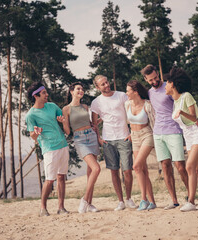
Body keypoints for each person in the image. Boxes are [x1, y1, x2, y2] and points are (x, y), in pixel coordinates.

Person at [165, 67, 198, 212]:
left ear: (173, 83)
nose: (165, 86)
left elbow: (195, 118)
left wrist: (182, 112)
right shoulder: (176, 101)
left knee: (189, 166)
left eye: (167, 83)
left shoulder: (186, 96)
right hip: (188, 137)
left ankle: (191, 202)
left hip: (197, 134)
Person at [141, 64, 189, 210]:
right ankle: (174, 200)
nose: (154, 81)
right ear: (146, 79)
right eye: (150, 80)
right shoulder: (149, 93)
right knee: (165, 166)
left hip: (173, 130)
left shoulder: (169, 87)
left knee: (180, 166)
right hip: (158, 132)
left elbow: (183, 103)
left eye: (156, 78)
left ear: (158, 74)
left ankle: (190, 195)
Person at [90, 75, 137, 211]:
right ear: (97, 87)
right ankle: (120, 201)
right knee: (114, 171)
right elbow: (94, 122)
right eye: (103, 84)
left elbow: (132, 111)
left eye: (107, 82)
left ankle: (128, 198)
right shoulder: (96, 102)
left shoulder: (122, 96)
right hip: (108, 140)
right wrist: (99, 138)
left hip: (124, 137)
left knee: (127, 170)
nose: (106, 85)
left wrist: (131, 132)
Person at [25, 82, 69, 217]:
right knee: (50, 180)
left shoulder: (52, 106)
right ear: (36, 96)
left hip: (63, 144)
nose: (47, 94)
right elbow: (32, 136)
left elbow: (64, 122)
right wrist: (36, 132)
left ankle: (61, 207)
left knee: (61, 177)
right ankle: (43, 208)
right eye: (43, 93)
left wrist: (63, 121)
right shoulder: (31, 115)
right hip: (49, 149)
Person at [61, 82, 101, 213]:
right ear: (71, 91)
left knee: (91, 173)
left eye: (82, 89)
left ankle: (89, 203)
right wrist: (63, 123)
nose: (81, 91)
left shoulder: (85, 106)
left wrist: (96, 124)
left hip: (91, 136)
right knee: (96, 168)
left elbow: (90, 123)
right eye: (78, 89)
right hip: (80, 140)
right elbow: (68, 131)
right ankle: (84, 200)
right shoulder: (66, 109)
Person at [125, 80, 157, 211]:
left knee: (136, 166)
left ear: (135, 92)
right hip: (134, 136)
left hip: (147, 135)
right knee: (142, 170)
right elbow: (127, 121)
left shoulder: (148, 105)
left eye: (128, 91)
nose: (126, 93)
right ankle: (152, 202)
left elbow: (154, 123)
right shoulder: (127, 104)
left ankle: (143, 200)